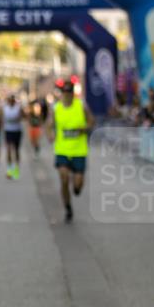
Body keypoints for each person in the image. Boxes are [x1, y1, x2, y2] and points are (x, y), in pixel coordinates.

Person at [46, 81, 94, 223]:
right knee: (64, 178)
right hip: (62, 149)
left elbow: (92, 121)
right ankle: (67, 207)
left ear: (73, 94)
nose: (67, 96)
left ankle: (77, 189)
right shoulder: (56, 108)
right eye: (65, 93)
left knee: (77, 185)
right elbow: (48, 125)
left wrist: (84, 128)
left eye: (69, 93)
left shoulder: (81, 105)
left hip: (79, 150)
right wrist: (50, 134)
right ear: (62, 94)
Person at [3, 93, 24, 179]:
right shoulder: (5, 108)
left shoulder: (18, 108)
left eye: (12, 100)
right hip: (8, 131)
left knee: (16, 151)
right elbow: (1, 119)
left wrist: (18, 117)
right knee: (8, 150)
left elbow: (22, 117)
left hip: (17, 131)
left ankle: (16, 169)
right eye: (9, 100)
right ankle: (9, 170)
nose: (11, 101)